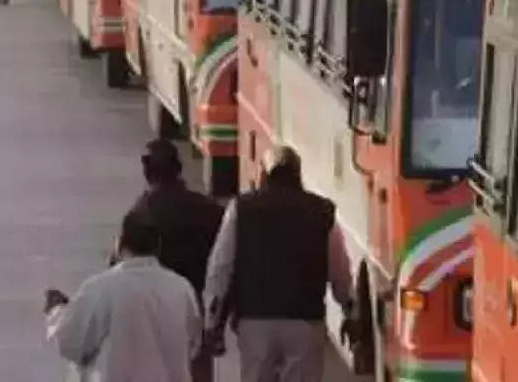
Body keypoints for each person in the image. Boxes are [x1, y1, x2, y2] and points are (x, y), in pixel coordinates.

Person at [203, 146, 355, 382]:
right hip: (305, 321)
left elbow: (221, 267)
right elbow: (339, 271)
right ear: (298, 174)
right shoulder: (322, 212)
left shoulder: (242, 208)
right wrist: (349, 308)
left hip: (255, 322)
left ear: (264, 174)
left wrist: (213, 320)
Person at [45, 209, 202, 382]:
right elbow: (193, 344)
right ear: (158, 247)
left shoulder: (100, 288)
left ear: (120, 244)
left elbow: (71, 343)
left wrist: (57, 312)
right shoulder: (182, 288)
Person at [131, 140, 225, 382]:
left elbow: (121, 266)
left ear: (147, 172)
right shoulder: (209, 209)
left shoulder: (140, 213)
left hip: (153, 313)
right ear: (179, 169)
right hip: (197, 309)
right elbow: (224, 264)